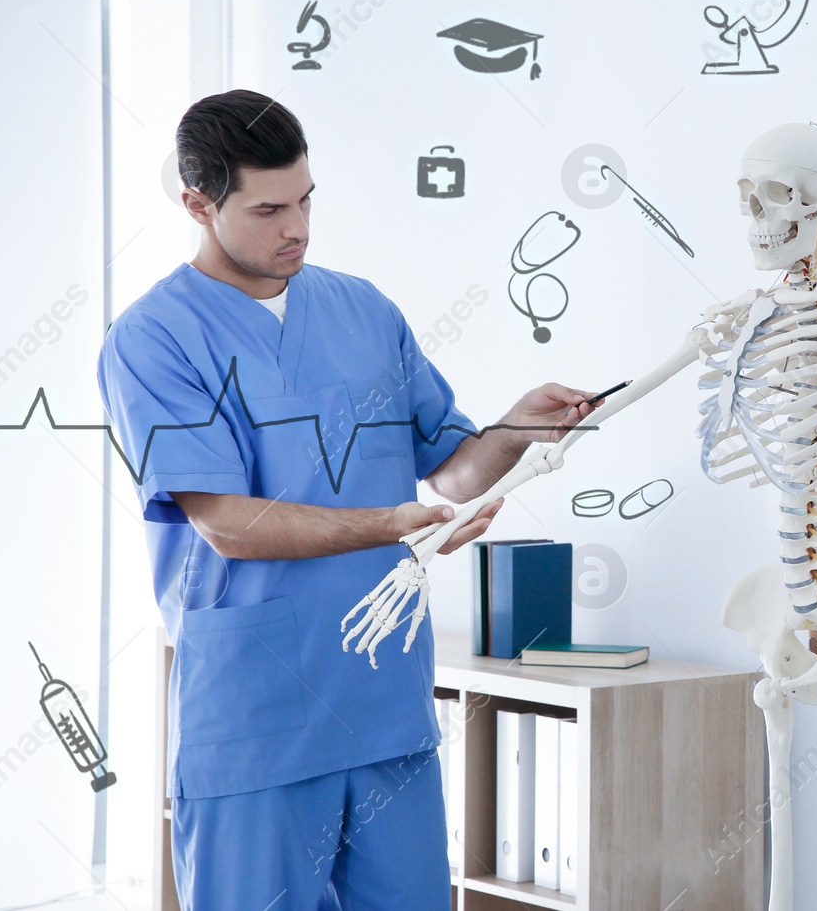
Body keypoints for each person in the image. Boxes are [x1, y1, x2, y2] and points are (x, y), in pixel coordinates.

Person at [97, 90, 600, 909]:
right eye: (268, 209)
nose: (296, 227)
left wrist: (516, 429)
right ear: (197, 203)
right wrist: (392, 524)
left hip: (382, 701)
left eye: (305, 200)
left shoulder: (364, 311)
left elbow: (454, 471)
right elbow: (226, 524)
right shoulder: (153, 338)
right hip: (256, 717)